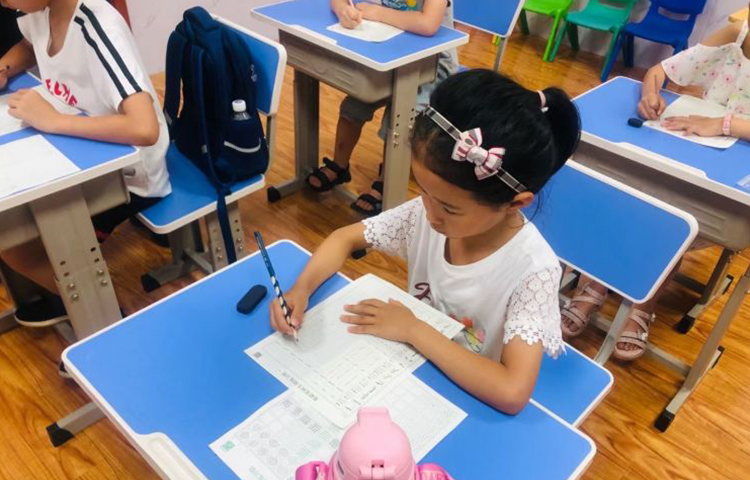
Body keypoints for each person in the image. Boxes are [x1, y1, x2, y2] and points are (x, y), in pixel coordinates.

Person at [269, 69, 581, 415]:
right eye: (423, 191)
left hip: (466, 397)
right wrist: (301, 290)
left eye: (449, 207)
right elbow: (344, 238)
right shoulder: (428, 214)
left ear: (515, 203)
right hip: (410, 371)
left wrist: (414, 329)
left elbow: (511, 392)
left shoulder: (533, 270)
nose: (430, 214)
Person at [562, 6, 750, 361]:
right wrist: (650, 93)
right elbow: (659, 71)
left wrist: (724, 124)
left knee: (672, 222)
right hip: (692, 149)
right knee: (627, 196)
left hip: (730, 174)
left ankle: (643, 303)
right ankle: (596, 283)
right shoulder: (734, 35)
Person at [0, 0, 170, 326]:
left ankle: (106, 314)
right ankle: (69, 295)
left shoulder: (98, 26)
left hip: (131, 176)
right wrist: (4, 68)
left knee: (15, 242)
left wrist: (53, 121)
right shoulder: (41, 12)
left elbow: (144, 128)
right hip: (81, 152)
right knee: (12, 225)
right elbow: (29, 44)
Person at [305, 0, 458, 217]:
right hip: (388, 51)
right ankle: (339, 166)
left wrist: (378, 12)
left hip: (431, 63)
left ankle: (386, 183)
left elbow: (428, 24)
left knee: (399, 119)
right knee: (353, 107)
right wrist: (343, 11)